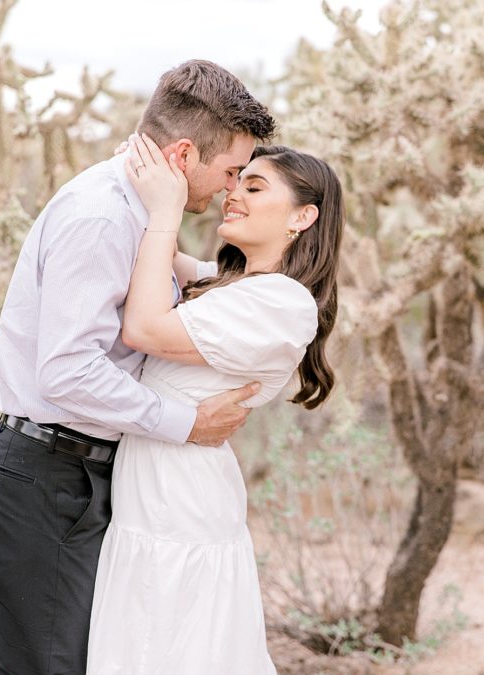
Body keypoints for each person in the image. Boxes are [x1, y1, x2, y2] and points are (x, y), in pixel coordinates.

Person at [0, 60, 276, 674]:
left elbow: (195, 285)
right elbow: (68, 371)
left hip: (81, 473)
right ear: (183, 153)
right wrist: (184, 421)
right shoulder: (103, 218)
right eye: (229, 171)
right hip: (48, 476)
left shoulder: (136, 212)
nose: (230, 187)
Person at [85, 135, 344, 673]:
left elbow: (143, 326)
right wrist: (143, 178)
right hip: (157, 498)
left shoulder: (282, 303)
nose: (234, 194)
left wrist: (165, 209)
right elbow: (159, 256)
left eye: (254, 185)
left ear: (303, 217)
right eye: (234, 180)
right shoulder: (232, 286)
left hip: (180, 507)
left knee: (173, 648)